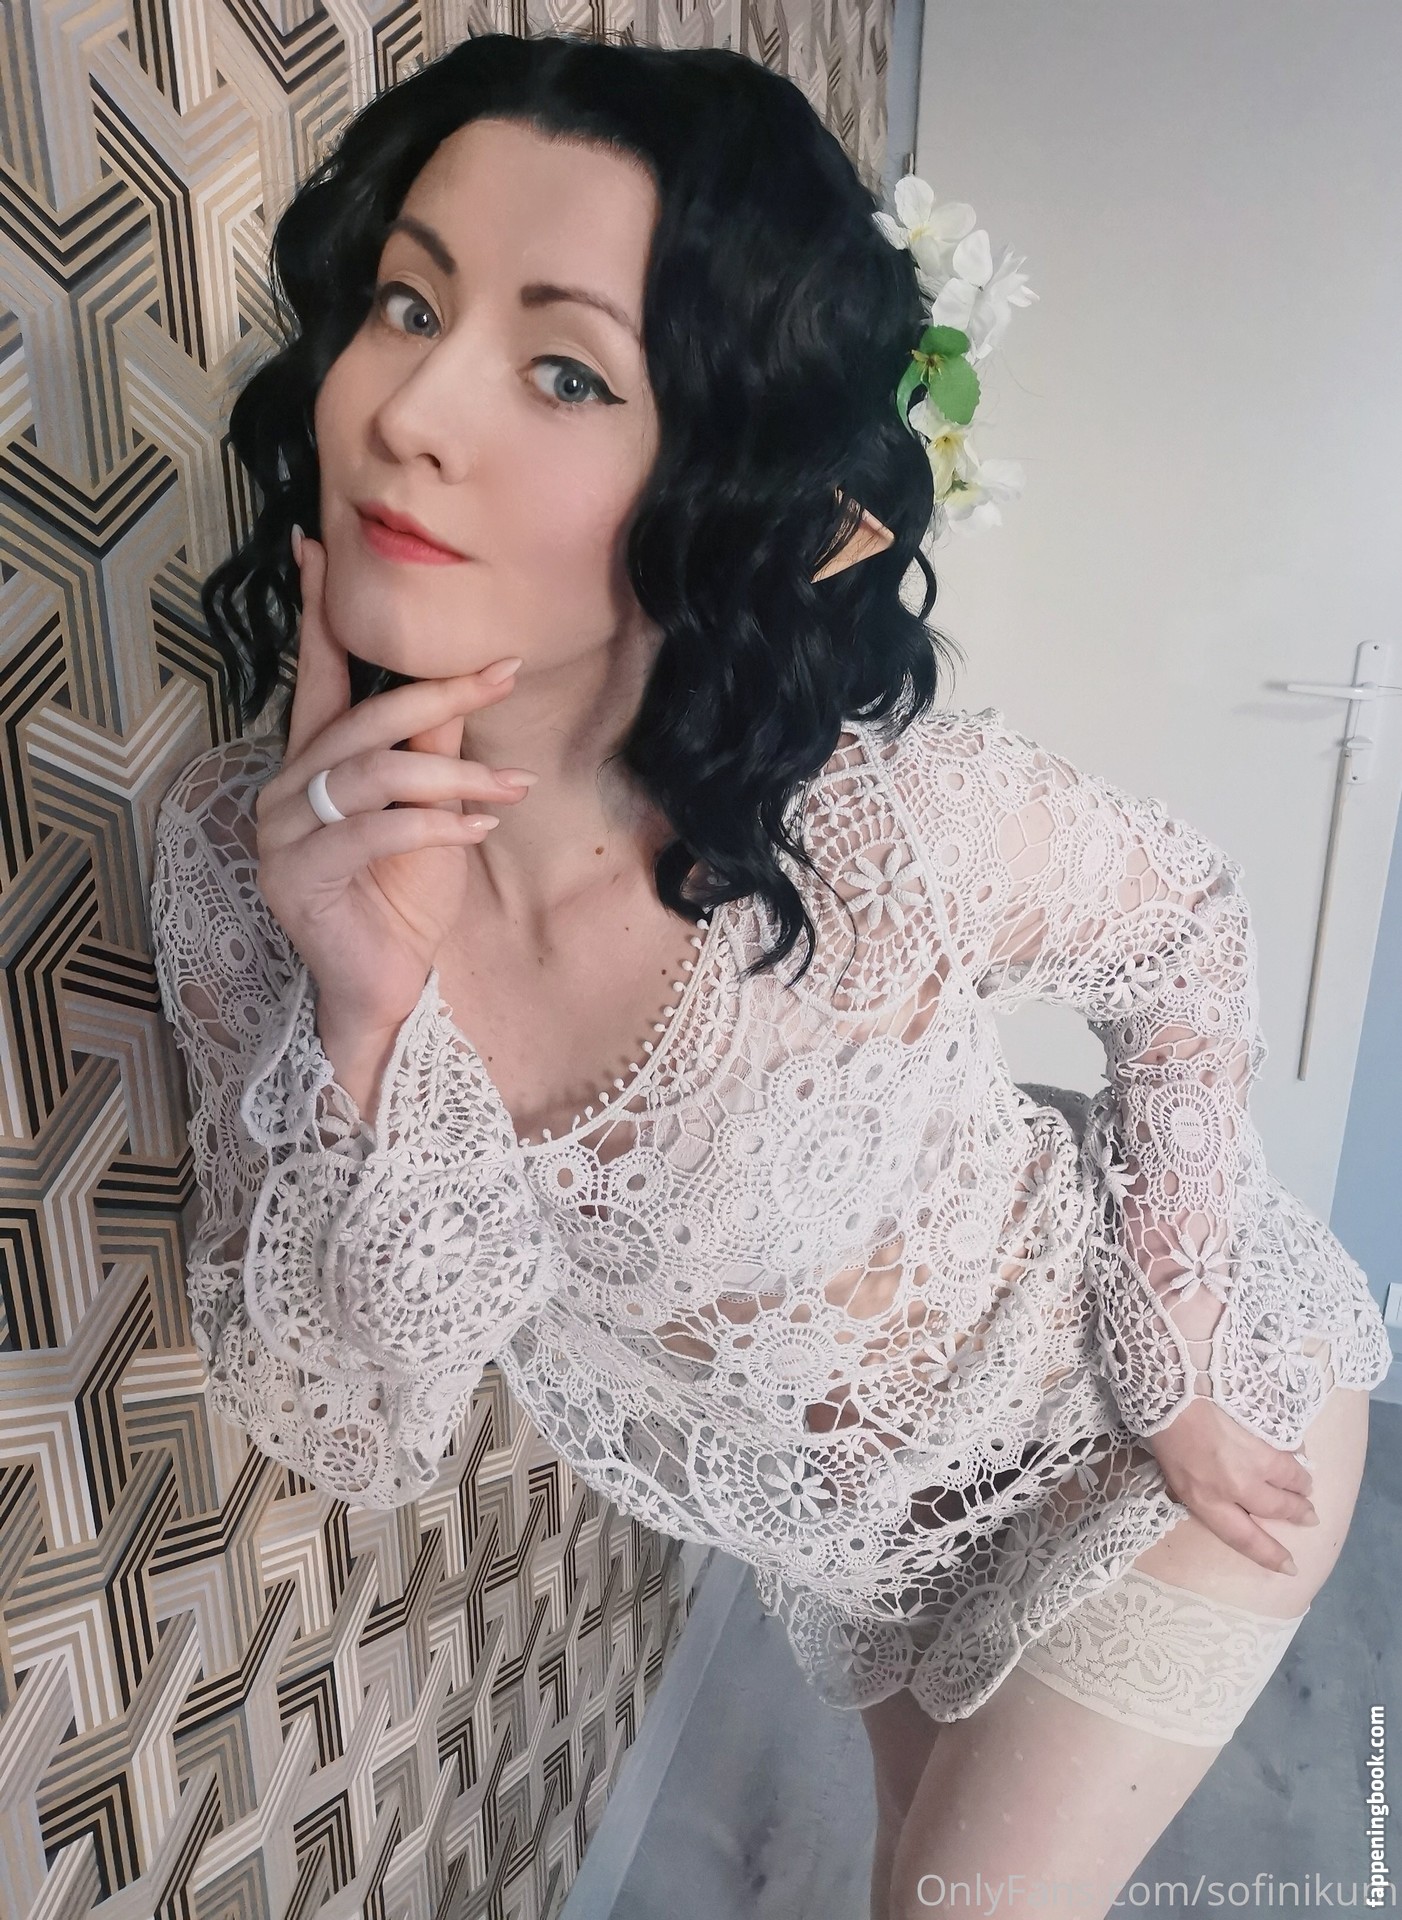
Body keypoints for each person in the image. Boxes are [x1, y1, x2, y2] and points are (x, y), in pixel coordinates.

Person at [149, 31, 1392, 1920]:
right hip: (862, 1558)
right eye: (406, 301)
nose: (408, 411)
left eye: (568, 369)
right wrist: (364, 1014)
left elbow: (1188, 925)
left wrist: (1170, 1359)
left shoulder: (874, 828)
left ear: (739, 485)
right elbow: (354, 1424)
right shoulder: (246, 868)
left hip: (1163, 1443)